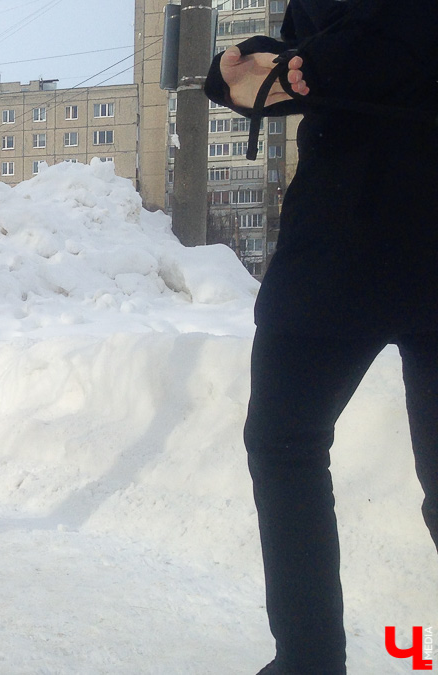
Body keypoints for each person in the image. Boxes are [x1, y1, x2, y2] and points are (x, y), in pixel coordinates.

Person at [204, 2, 438, 673]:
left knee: (284, 443)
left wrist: (321, 61)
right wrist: (246, 69)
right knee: (284, 443)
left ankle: (309, 662)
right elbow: (317, 63)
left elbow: (361, 50)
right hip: (349, 234)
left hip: (345, 245)